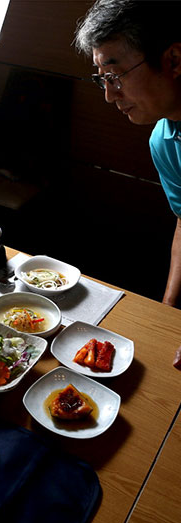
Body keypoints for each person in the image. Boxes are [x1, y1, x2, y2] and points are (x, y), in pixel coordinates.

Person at [74, 0, 181, 366]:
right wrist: (170, 315)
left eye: (115, 75)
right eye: (101, 78)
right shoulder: (164, 141)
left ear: (174, 60)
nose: (109, 94)